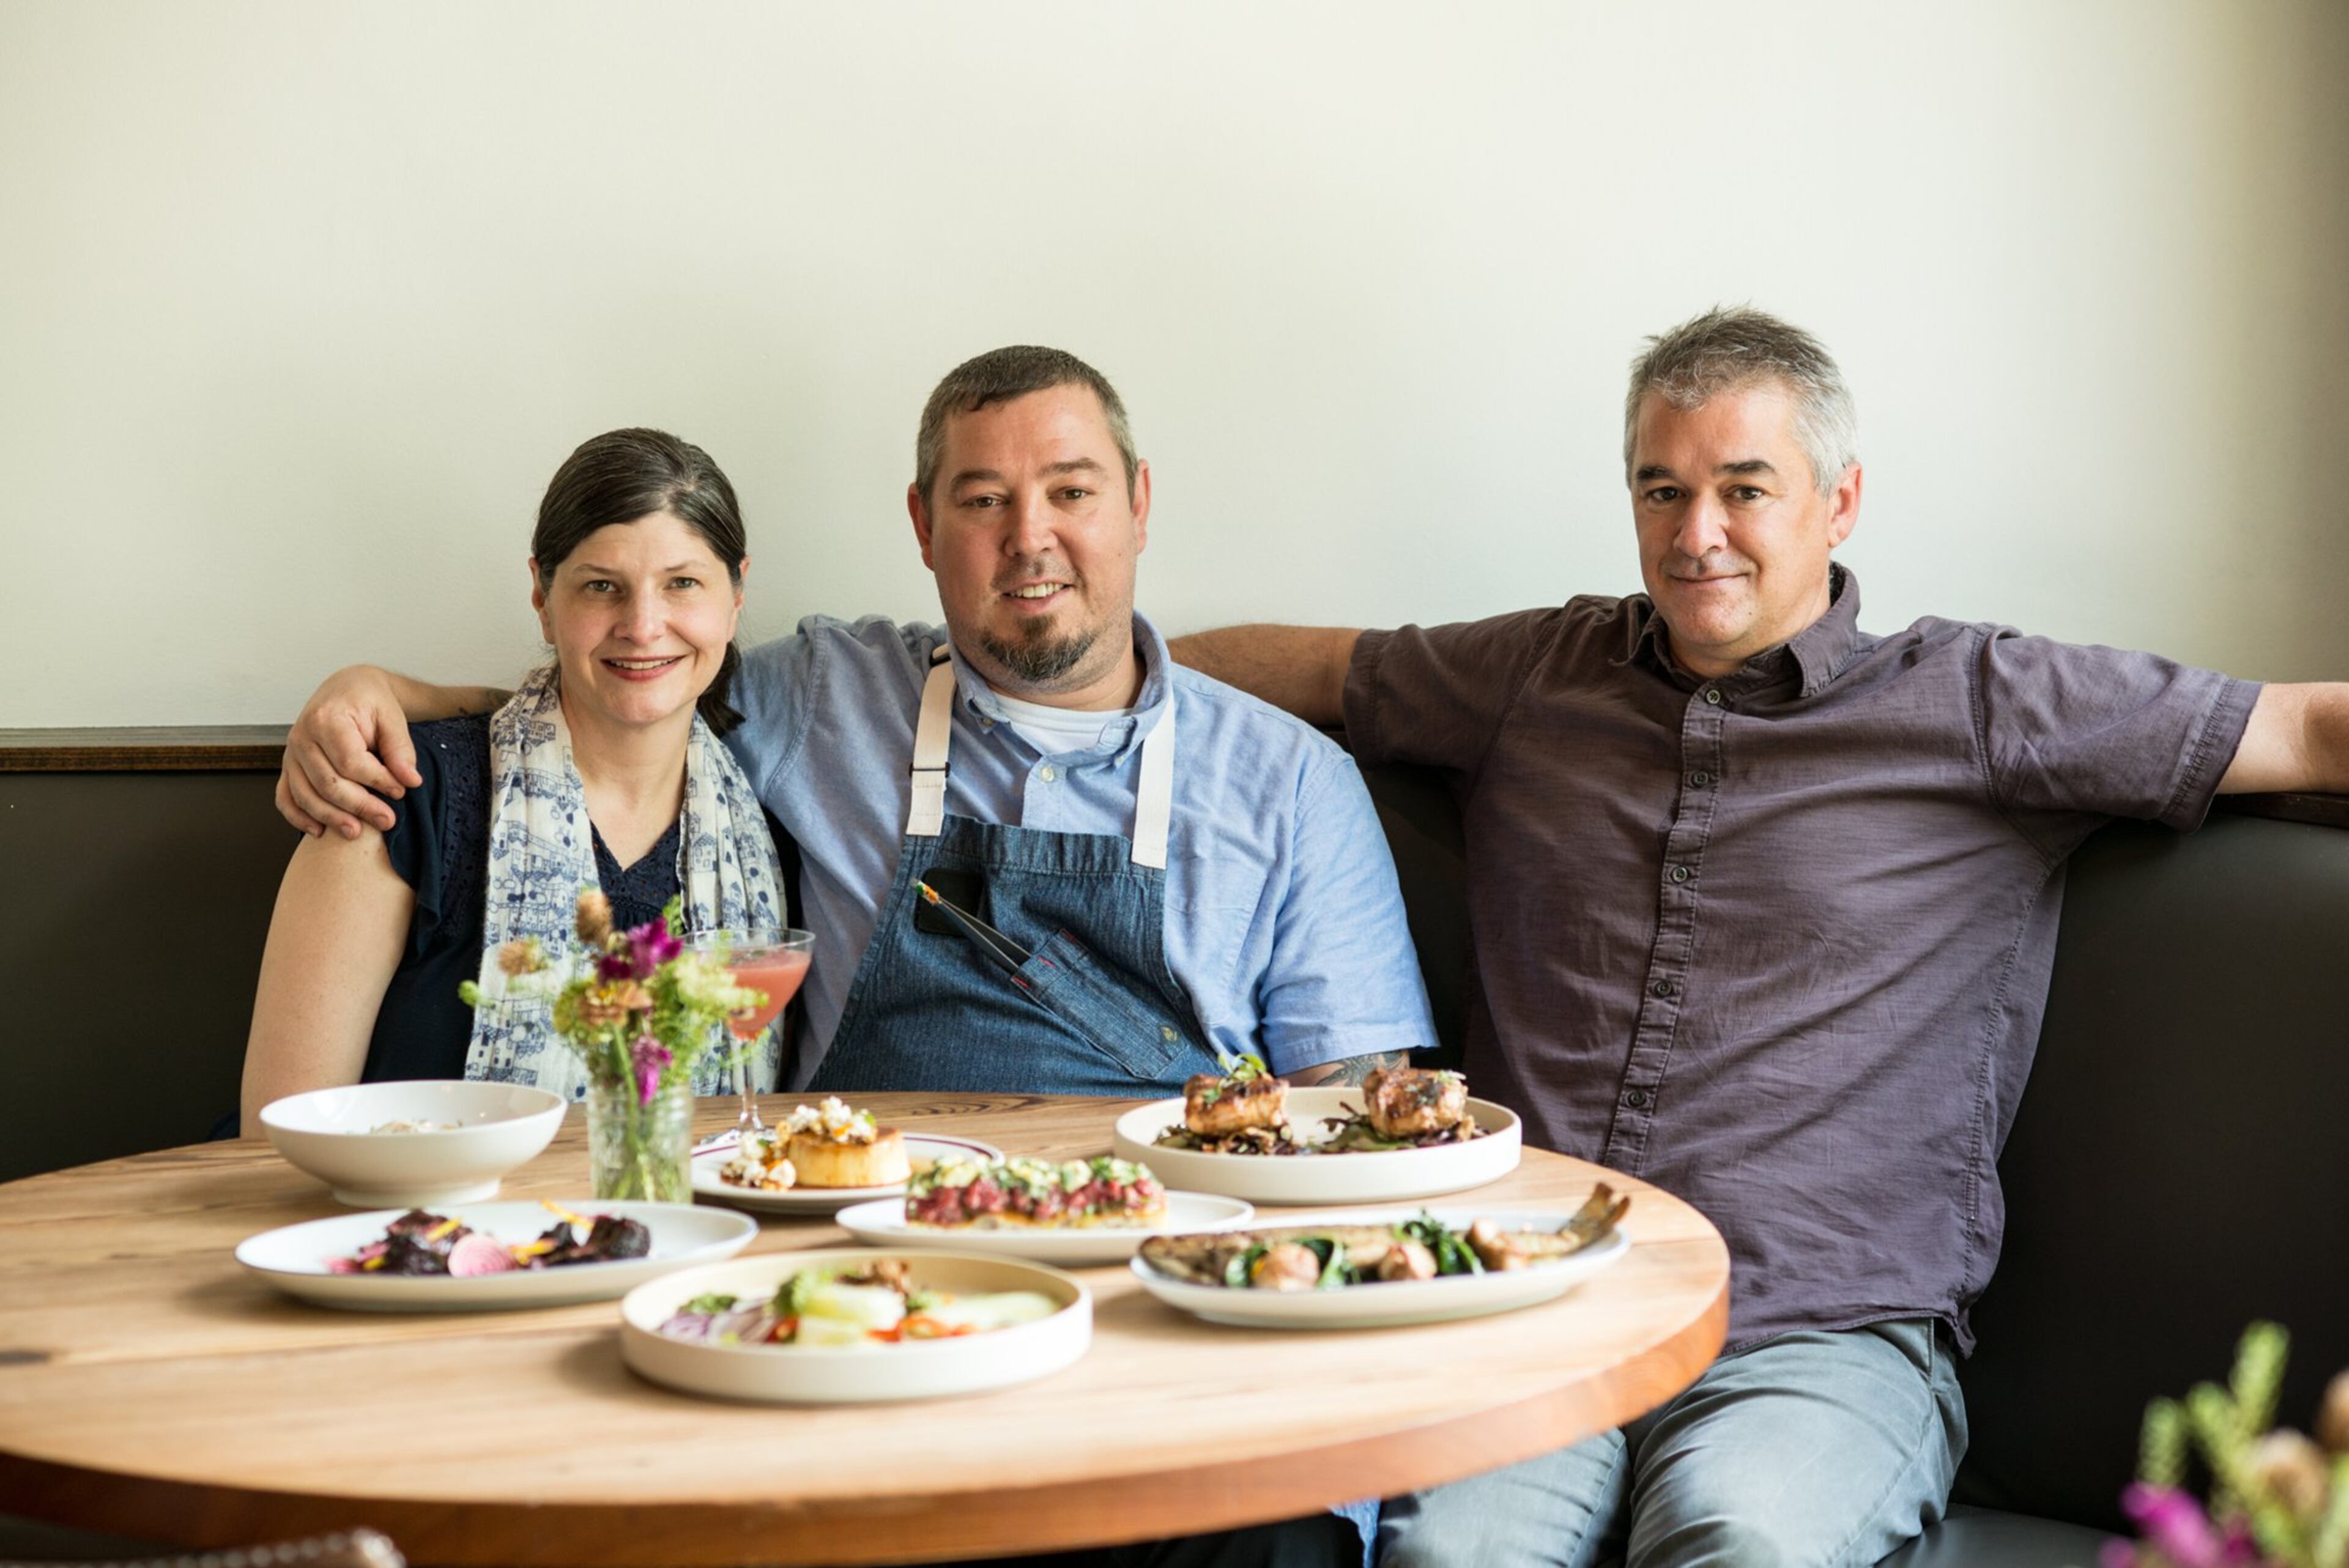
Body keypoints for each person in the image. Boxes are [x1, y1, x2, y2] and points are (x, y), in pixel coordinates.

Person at [1170, 307, 2349, 1567]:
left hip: (1818, 1336)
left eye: (1745, 490)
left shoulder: (1982, 703)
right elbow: (1288, 671)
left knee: (1738, 1547)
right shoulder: (1533, 674)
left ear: (1839, 502)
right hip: (1535, 1297)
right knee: (1445, 1559)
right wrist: (1059, 688)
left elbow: (2314, 734)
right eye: (1662, 490)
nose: (1696, 536)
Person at [269, 347, 1434, 1568]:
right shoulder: (828, 693)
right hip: (867, 1313)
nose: (1030, 537)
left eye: (1072, 492)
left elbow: (1352, 1146)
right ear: (926, 526)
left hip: (1169, 1315)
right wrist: (372, 692)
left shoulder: (1294, 784)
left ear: (1139, 501)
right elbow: (614, 687)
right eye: (984, 499)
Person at [240, 429, 787, 1131]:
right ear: (542, 593)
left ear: (736, 594)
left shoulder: (761, 836)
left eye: (683, 583)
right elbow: (274, 1136)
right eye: (601, 586)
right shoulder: (398, 797)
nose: (644, 625)